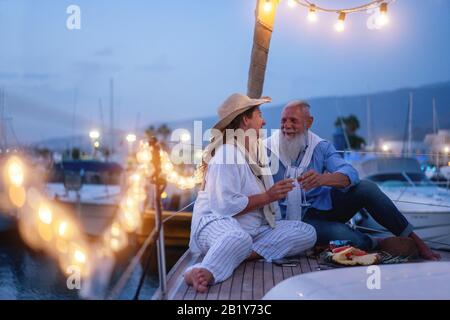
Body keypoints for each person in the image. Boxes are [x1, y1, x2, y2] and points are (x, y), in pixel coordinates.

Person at [265, 100, 440, 260]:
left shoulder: (321, 147)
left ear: (309, 122)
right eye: (283, 121)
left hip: (324, 207)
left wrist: (323, 179)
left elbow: (350, 172)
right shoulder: (267, 149)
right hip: (296, 220)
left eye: (293, 121)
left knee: (367, 188)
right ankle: (376, 242)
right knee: (348, 236)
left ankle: (417, 241)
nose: (287, 126)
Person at [185, 94, 317, 293]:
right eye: (259, 114)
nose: (264, 121)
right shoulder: (227, 153)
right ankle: (201, 270)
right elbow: (225, 207)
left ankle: (239, 253)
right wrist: (268, 196)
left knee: (306, 231)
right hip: (214, 224)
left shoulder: (254, 153)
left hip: (250, 232)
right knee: (238, 238)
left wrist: (274, 195)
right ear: (246, 120)